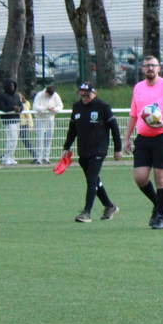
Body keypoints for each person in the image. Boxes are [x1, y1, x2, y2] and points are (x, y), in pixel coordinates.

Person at [123, 54, 163, 229]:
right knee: (140, 177)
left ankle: (161, 218)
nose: (150, 68)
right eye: (147, 65)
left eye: (153, 65)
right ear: (142, 69)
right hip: (143, 139)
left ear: (159, 68)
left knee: (160, 178)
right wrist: (126, 138)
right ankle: (158, 204)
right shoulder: (138, 88)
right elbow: (134, 115)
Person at [62, 82, 122, 222]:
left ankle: (86, 212)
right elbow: (72, 130)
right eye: (82, 95)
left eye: (87, 95)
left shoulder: (103, 106)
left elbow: (114, 128)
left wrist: (117, 148)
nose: (84, 98)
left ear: (94, 93)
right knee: (94, 180)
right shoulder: (77, 107)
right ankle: (110, 206)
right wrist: (67, 147)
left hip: (98, 150)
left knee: (91, 180)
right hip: (83, 151)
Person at [0, 79, 25, 165]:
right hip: (8, 121)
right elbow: (1, 108)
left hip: (16, 120)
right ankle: (6, 158)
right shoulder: (2, 96)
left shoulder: (16, 96)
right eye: (10, 86)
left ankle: (11, 156)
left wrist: (19, 109)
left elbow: (21, 106)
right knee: (10, 139)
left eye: (13, 86)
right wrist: (13, 108)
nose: (12, 87)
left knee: (15, 140)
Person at [31, 83, 63, 164]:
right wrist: (45, 108)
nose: (49, 97)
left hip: (50, 119)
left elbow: (60, 106)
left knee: (49, 138)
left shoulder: (55, 95)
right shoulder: (39, 95)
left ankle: (46, 157)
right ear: (46, 92)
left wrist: (54, 109)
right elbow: (35, 107)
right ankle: (38, 158)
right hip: (40, 119)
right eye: (48, 95)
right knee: (39, 139)